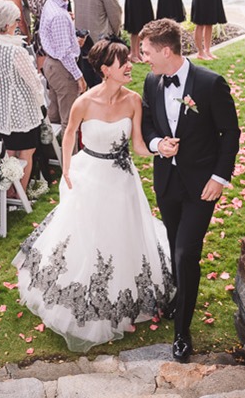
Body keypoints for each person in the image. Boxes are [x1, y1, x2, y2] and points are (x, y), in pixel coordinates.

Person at [12, 38, 174, 353]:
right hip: (90, 176)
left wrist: (161, 149)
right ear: (104, 69)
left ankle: (125, 297)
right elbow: (70, 132)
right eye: (122, 61)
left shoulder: (133, 101)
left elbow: (139, 145)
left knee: (123, 235)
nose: (130, 65)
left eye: (129, 59)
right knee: (88, 238)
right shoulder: (83, 102)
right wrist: (68, 171)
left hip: (123, 180)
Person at [140, 18, 240, 363]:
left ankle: (182, 331)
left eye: (147, 51)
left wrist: (220, 177)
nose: (144, 58)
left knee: (185, 254)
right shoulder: (152, 82)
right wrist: (156, 144)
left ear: (166, 50)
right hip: (167, 183)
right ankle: (180, 296)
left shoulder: (211, 84)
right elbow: (148, 123)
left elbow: (231, 133)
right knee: (173, 244)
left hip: (202, 186)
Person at [0, 0, 45, 194]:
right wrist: (40, 99)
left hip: (0, 106)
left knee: (9, 151)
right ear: (9, 24)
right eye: (17, 20)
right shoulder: (15, 50)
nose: (18, 24)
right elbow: (32, 80)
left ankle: (8, 191)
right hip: (20, 108)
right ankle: (19, 194)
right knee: (27, 151)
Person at [40, 0, 86, 145]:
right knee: (70, 120)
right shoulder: (58, 14)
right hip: (61, 67)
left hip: (51, 64)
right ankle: (70, 161)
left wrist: (73, 40)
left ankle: (51, 153)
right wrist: (79, 76)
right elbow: (64, 54)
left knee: (55, 114)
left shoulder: (52, 4)